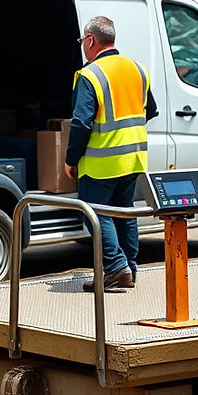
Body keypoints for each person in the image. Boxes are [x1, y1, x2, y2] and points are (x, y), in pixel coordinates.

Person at [64, 15, 157, 292]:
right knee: (123, 214)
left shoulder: (89, 75)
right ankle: (129, 268)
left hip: (102, 162)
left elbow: (81, 122)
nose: (82, 45)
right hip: (134, 158)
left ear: (91, 40)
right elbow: (149, 111)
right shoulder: (138, 69)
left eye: (83, 40)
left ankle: (116, 267)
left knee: (95, 213)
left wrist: (71, 159)